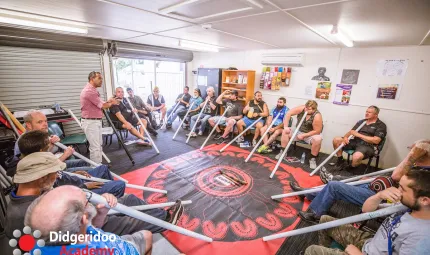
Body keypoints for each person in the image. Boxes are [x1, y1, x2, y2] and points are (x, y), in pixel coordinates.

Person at [5, 150, 184, 239]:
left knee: (127, 199)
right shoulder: (28, 212)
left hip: (77, 222)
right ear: (41, 178)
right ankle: (166, 222)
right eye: (54, 173)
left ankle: (162, 216)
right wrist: (97, 215)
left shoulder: (28, 192)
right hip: (78, 235)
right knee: (128, 219)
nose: (57, 176)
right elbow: (68, 237)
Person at [292, 139, 430, 224]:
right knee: (341, 179)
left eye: (413, 150)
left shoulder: (422, 173)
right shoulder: (418, 166)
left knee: (334, 186)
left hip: (379, 197)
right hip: (374, 185)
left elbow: (395, 177)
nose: (410, 152)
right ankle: (308, 194)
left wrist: (411, 157)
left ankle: (316, 214)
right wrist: (374, 180)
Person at [303, 169, 430, 255]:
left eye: (402, 189)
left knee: (311, 250)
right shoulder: (406, 206)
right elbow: (366, 209)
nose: (397, 190)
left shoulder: (422, 238)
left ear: (424, 200)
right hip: (371, 243)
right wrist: (379, 195)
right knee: (325, 220)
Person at [25, 185, 152, 255]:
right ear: (83, 219)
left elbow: (87, 230)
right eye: (87, 199)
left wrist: (101, 214)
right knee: (147, 235)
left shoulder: (40, 238)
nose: (91, 199)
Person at [16, 130, 126, 197]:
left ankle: (109, 198)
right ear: (41, 151)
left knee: (103, 168)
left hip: (74, 180)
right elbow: (58, 190)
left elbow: (60, 176)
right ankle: (109, 204)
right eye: (48, 144)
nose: (51, 144)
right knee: (120, 185)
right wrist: (84, 186)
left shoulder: (38, 160)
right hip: (76, 189)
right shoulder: (40, 171)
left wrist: (75, 173)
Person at [14, 109, 91, 173]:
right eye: (40, 122)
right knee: (93, 170)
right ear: (29, 125)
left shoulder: (39, 135)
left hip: (55, 165)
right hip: (52, 173)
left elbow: (46, 154)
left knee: (86, 162)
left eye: (45, 121)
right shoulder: (26, 143)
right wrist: (66, 155)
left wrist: (53, 141)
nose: (45, 124)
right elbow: (44, 169)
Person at [331, 106, 387, 173]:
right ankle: (340, 161)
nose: (366, 113)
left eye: (369, 112)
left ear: (376, 115)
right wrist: (345, 138)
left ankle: (351, 168)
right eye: (366, 111)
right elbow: (351, 132)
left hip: (368, 146)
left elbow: (376, 140)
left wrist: (358, 135)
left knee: (357, 156)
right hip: (355, 142)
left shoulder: (381, 125)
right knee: (336, 140)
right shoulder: (362, 122)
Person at [81, 71, 119, 163]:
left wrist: (108, 101)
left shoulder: (93, 90)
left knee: (98, 146)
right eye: (99, 78)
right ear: (92, 79)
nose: (101, 80)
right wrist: (112, 103)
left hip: (94, 121)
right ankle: (96, 169)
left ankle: (99, 165)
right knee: (95, 147)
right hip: (91, 122)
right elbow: (103, 106)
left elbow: (100, 103)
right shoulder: (89, 91)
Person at [277, 100, 323, 169]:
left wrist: (304, 135)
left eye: (308, 109)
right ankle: (283, 152)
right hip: (298, 131)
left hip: (310, 134)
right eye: (306, 108)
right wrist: (286, 127)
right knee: (285, 132)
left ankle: (312, 159)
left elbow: (317, 131)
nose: (306, 110)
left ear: (314, 109)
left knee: (318, 139)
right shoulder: (302, 109)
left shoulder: (317, 116)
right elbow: (288, 113)